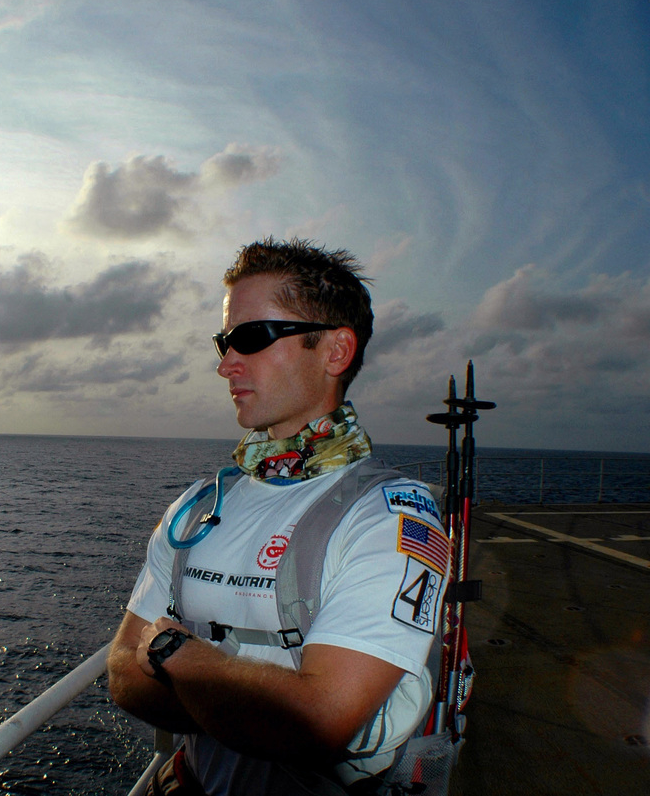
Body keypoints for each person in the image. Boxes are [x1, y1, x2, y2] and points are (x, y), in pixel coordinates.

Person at [108, 238, 449, 795]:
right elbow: (123, 673)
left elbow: (317, 723)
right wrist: (251, 705)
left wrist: (177, 655)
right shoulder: (198, 507)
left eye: (251, 338)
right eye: (224, 341)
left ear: (335, 352)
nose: (225, 364)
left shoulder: (388, 517)